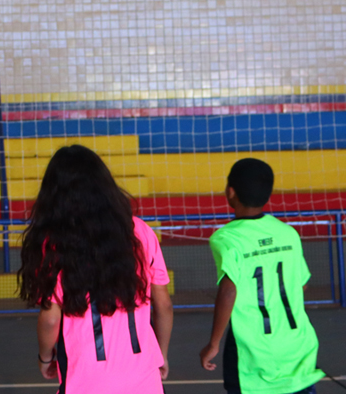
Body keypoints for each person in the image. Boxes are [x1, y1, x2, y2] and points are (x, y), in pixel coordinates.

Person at [18, 145, 173, 394]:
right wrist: (161, 354)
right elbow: (163, 305)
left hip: (85, 380)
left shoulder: (53, 244)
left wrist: (46, 358)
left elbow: (50, 318)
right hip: (143, 377)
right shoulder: (141, 231)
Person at [199, 158, 324, 394]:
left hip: (253, 351)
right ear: (268, 195)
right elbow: (302, 285)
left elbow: (229, 290)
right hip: (297, 345)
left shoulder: (226, 238)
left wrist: (213, 344)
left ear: (230, 192)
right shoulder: (288, 234)